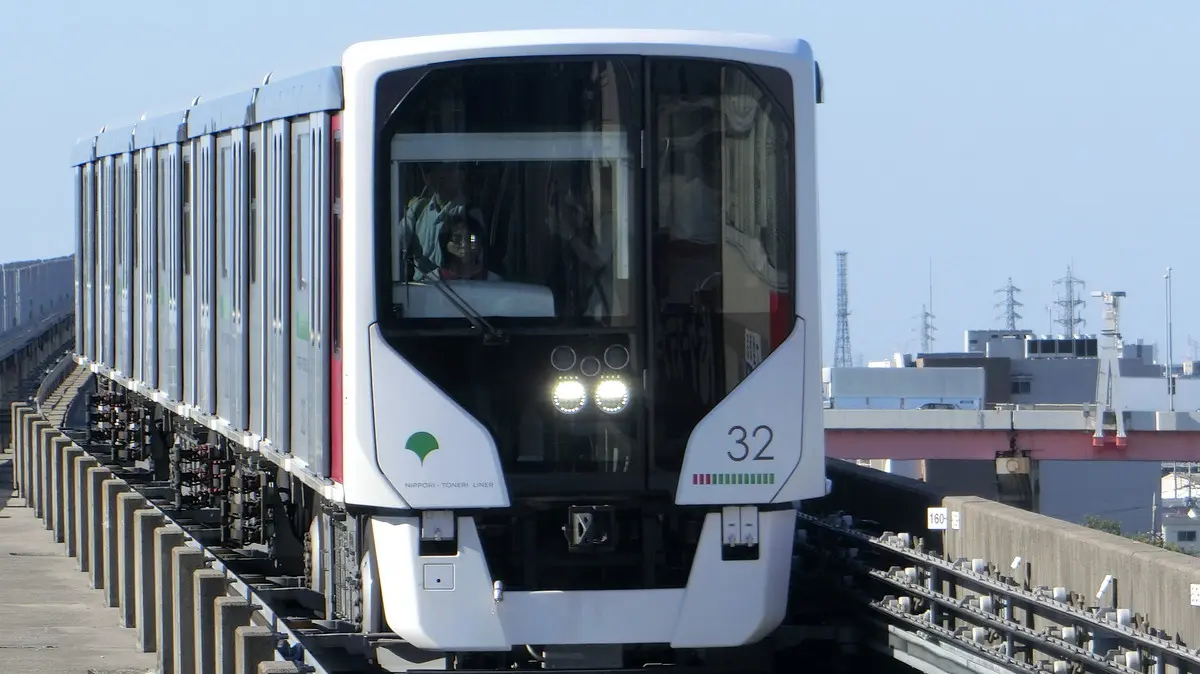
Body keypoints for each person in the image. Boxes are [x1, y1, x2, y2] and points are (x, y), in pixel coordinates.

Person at [400, 163, 486, 281]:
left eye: (447, 170)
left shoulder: (470, 213)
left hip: (451, 289)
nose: (440, 176)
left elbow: (474, 252)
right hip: (419, 289)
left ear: (461, 175)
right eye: (432, 171)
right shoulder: (418, 208)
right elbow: (396, 242)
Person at [432, 212, 501, 281]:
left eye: (471, 239)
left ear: (480, 244)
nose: (465, 244)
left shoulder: (495, 282)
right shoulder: (432, 281)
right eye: (458, 239)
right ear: (446, 245)